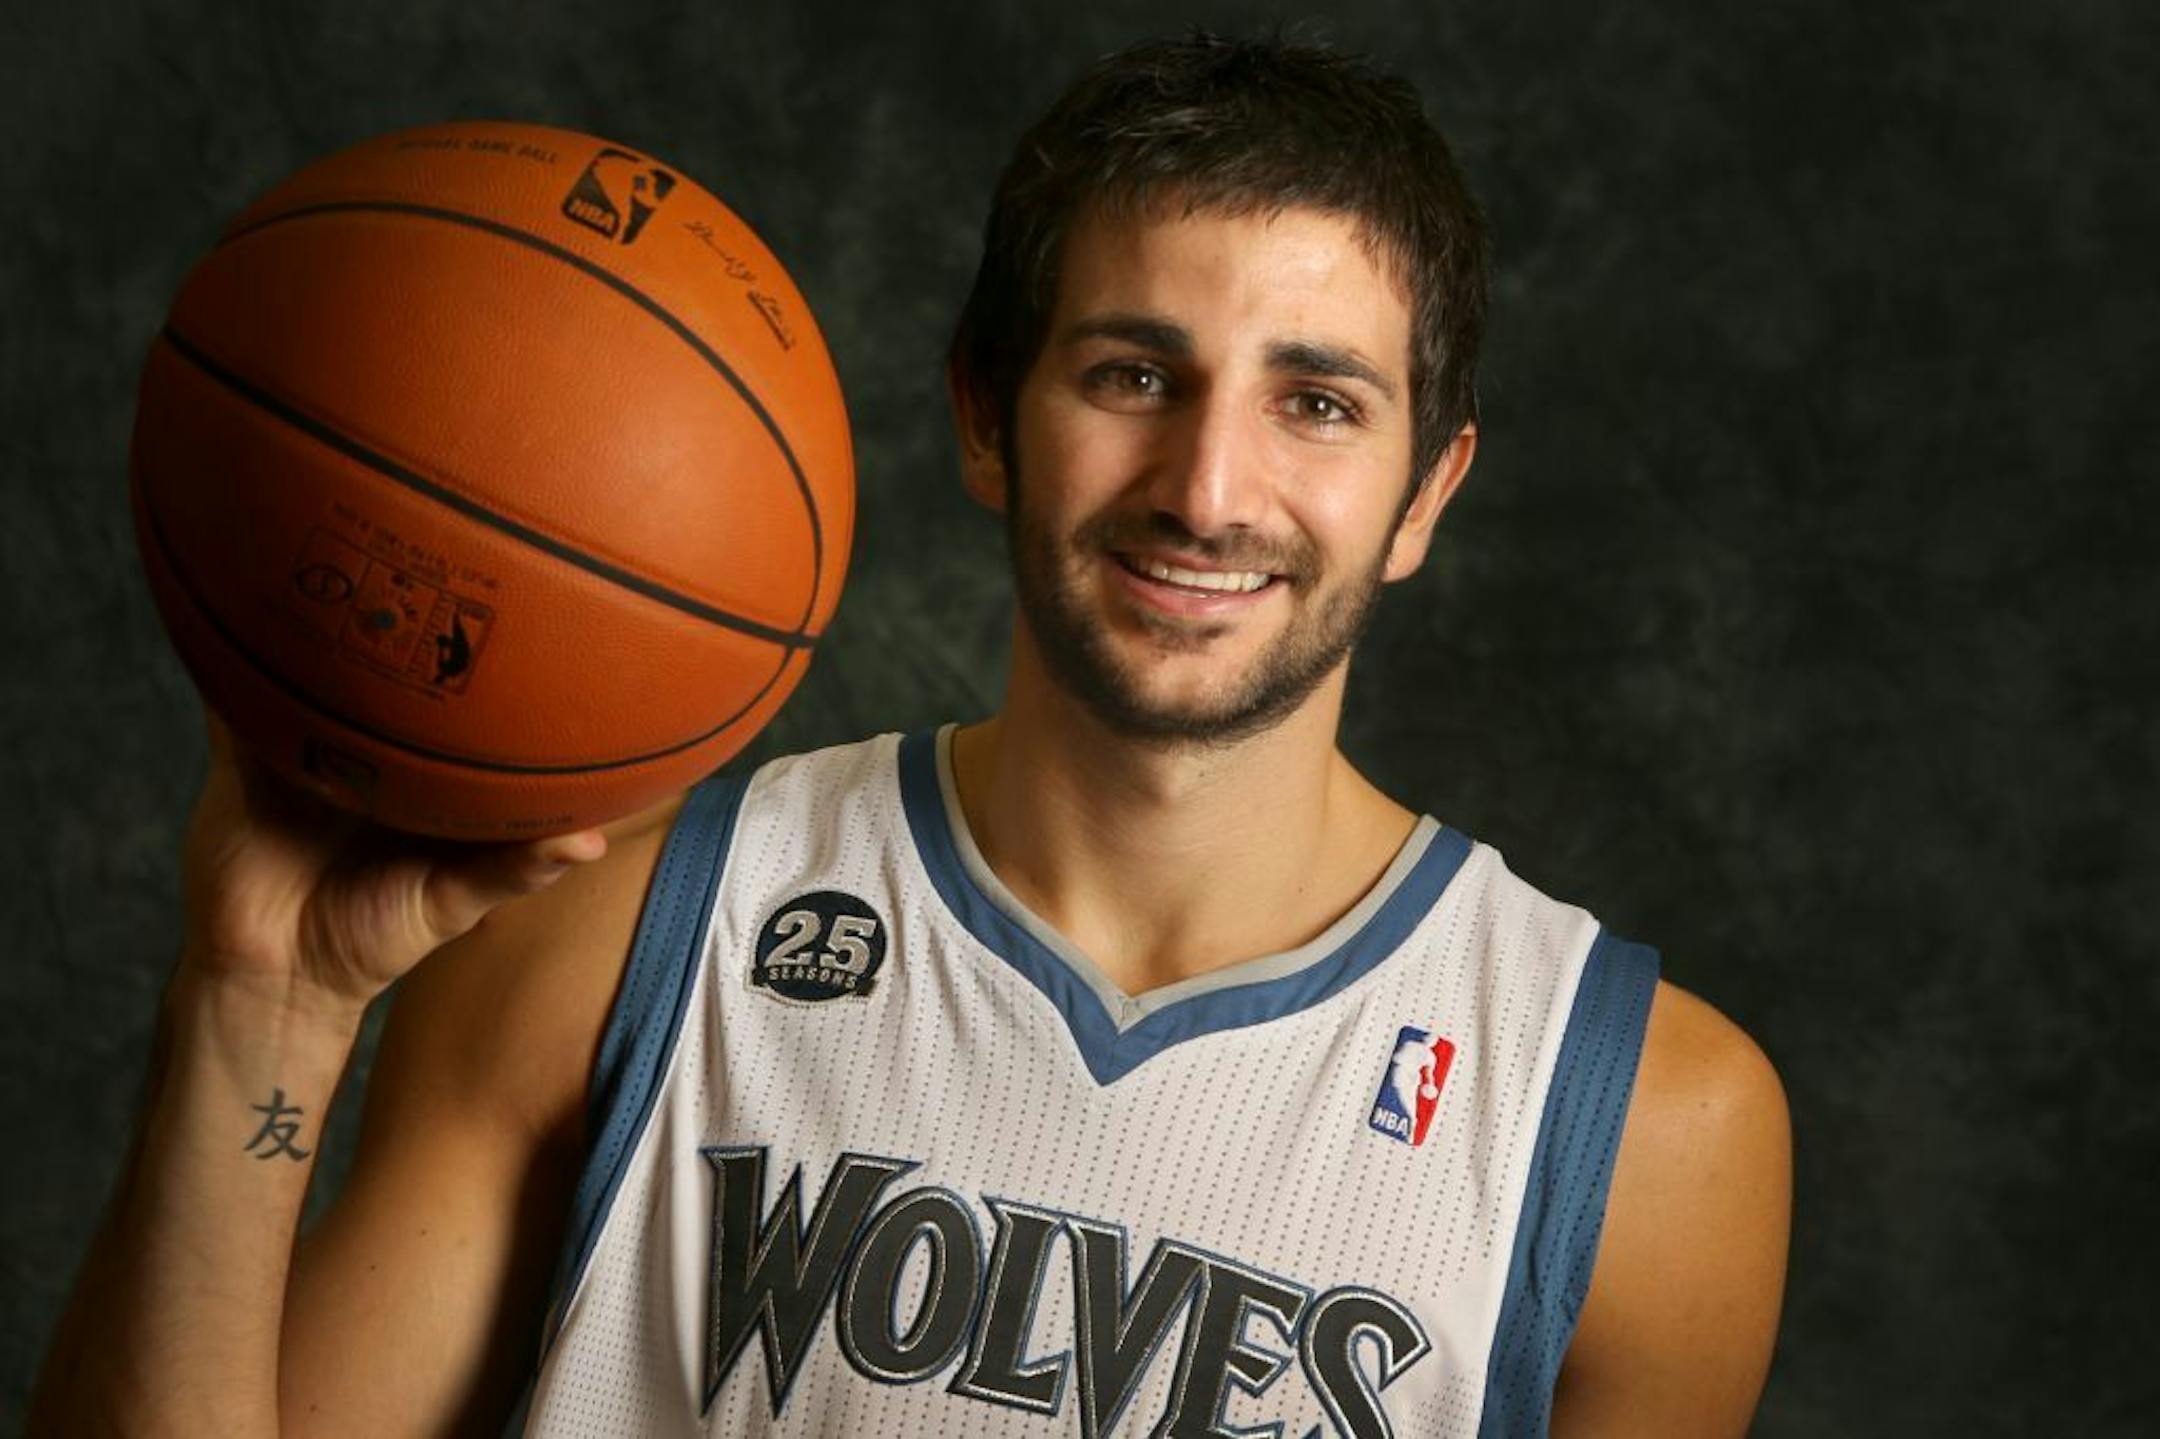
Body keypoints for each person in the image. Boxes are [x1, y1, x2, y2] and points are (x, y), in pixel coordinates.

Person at [31, 31, 1790, 1438]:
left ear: (1426, 493)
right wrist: (256, 1000)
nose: (1206, 488)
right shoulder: (622, 929)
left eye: (1316, 403)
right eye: (1130, 374)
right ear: (982, 415)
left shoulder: (1642, 1128)